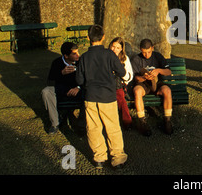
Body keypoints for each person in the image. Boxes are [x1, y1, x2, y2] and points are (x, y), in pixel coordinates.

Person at [75, 25, 128, 169]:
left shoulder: (84, 57)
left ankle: (99, 157)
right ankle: (118, 158)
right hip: (108, 96)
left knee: (93, 128)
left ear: (88, 38)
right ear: (103, 37)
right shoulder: (109, 54)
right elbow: (122, 72)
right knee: (113, 127)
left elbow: (79, 80)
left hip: (90, 96)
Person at [130, 38, 173, 136]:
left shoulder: (157, 56)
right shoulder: (136, 59)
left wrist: (158, 70)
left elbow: (169, 71)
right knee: (137, 91)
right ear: (140, 49)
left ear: (152, 48)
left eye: (148, 52)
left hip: (157, 83)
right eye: (144, 52)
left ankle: (167, 120)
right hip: (144, 85)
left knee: (167, 90)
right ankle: (142, 122)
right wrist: (144, 77)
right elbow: (135, 78)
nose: (146, 55)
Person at [42, 42, 84, 134]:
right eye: (74, 53)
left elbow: (88, 78)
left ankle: (82, 123)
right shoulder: (57, 63)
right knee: (46, 91)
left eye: (78, 52)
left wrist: (78, 87)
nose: (78, 55)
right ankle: (55, 122)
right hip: (61, 90)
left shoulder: (81, 62)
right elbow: (50, 81)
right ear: (66, 56)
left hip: (77, 91)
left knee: (89, 91)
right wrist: (61, 73)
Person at [108, 37, 134, 130]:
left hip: (120, 83)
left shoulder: (124, 58)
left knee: (120, 96)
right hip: (106, 83)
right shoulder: (106, 56)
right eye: (113, 47)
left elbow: (129, 76)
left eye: (118, 48)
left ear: (121, 49)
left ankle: (127, 122)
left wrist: (121, 72)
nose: (114, 50)